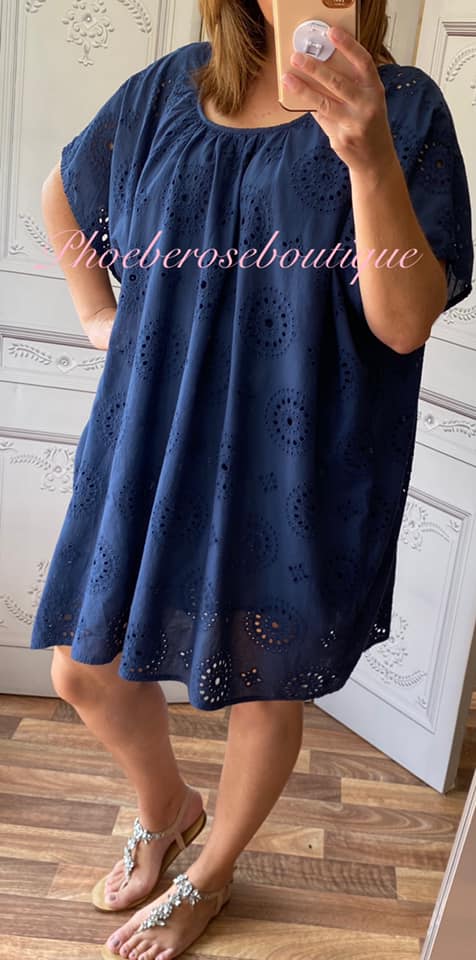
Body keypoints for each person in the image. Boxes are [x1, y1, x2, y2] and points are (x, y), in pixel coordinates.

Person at [31, 0, 473, 958]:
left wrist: (367, 155)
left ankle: (212, 871)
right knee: (79, 668)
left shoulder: (405, 110)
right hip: (149, 436)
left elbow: (404, 322)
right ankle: (167, 808)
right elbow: (63, 195)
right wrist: (98, 317)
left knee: (262, 684)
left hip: (295, 454)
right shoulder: (165, 92)